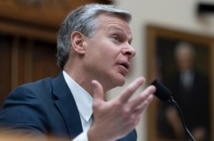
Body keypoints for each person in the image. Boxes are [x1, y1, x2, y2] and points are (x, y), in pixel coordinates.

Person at [0, 3, 156, 141]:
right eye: (116, 38)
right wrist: (94, 138)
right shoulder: (31, 101)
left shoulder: (124, 132)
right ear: (79, 43)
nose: (131, 50)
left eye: (130, 42)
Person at [158, 42, 210, 141]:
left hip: (199, 132)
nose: (185, 62)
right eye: (182, 59)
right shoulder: (172, 81)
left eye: (187, 58)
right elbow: (167, 104)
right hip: (177, 133)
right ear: (177, 60)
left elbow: (208, 107)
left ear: (192, 59)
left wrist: (204, 128)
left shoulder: (203, 81)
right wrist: (170, 114)